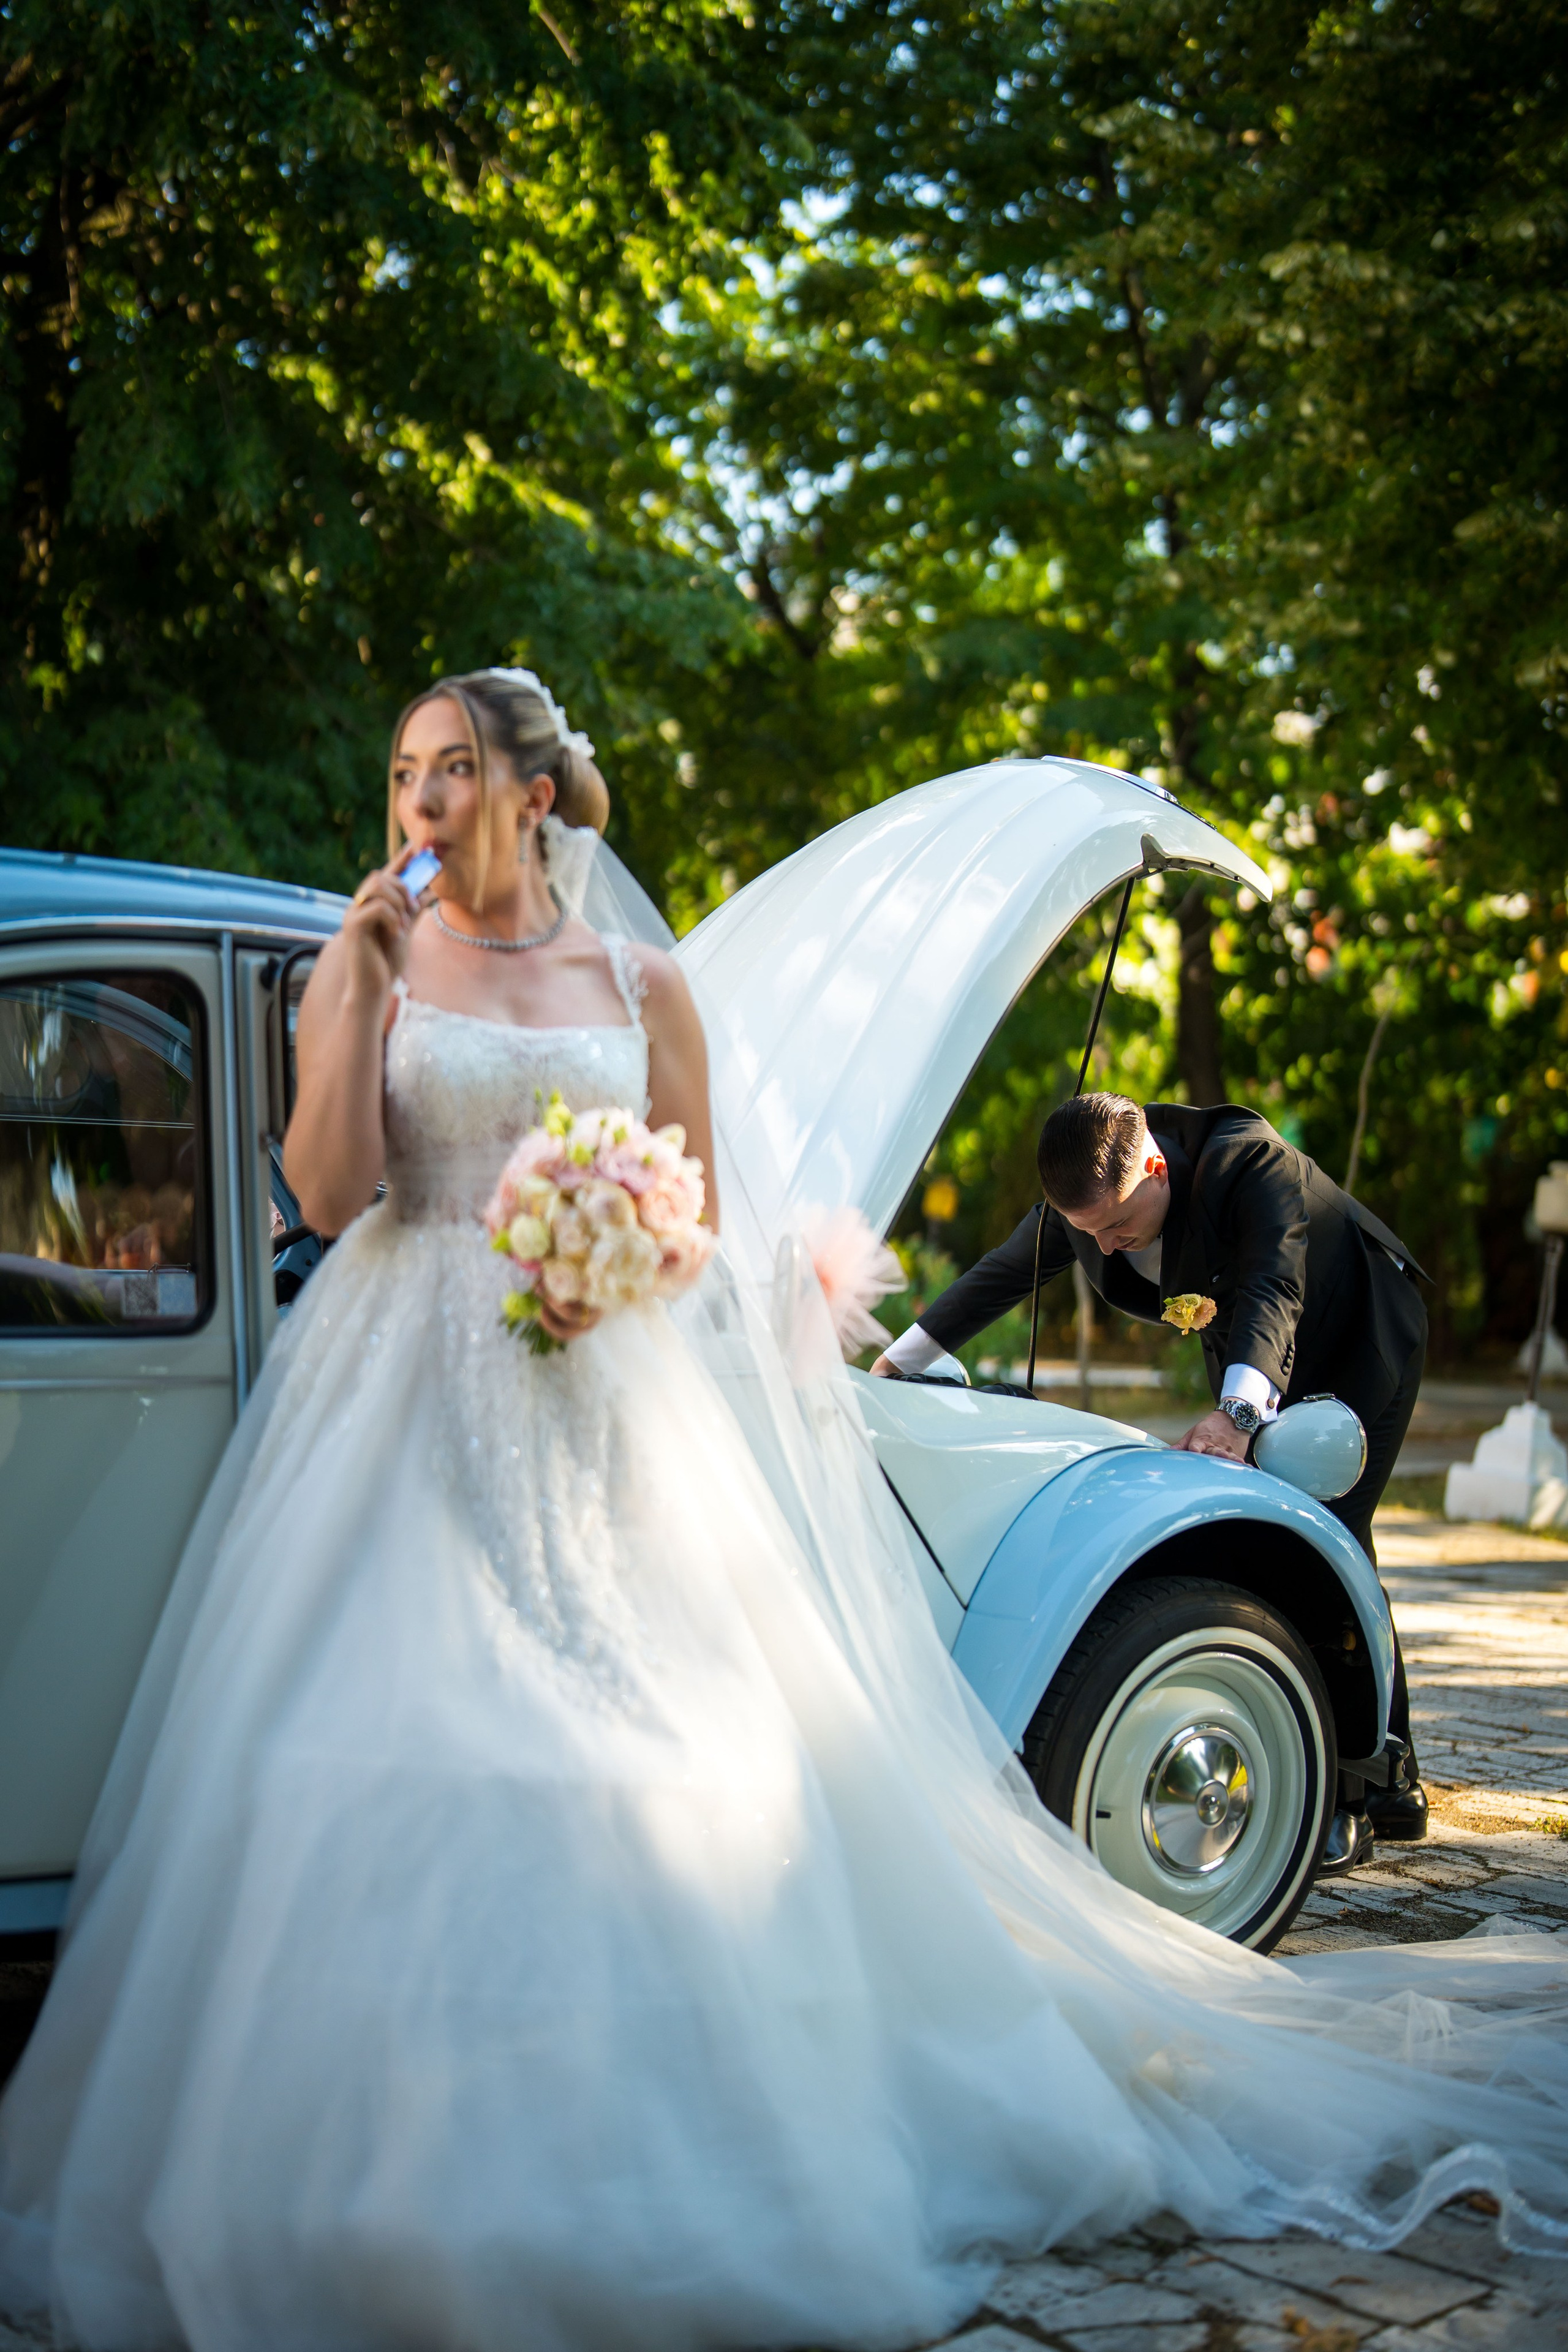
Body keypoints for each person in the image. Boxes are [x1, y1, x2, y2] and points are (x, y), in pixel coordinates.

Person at [1, 692, 1565, 2351]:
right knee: (363, 1751)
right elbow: (319, 1198)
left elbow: (696, 1235)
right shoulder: (371, 962)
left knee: (656, 1765)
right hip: (392, 1393)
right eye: (400, 769)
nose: (418, 796)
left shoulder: (644, 988)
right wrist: (358, 988)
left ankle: (647, 2157)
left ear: (536, 793)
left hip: (594, 1393)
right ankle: (358, 2169)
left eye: (450, 765)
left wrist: (606, 1238)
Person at [873, 1092, 1430, 1873]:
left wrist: (1236, 1415)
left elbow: (1276, 1284)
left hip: (1357, 1330)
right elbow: (1001, 1276)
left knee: (1329, 1529)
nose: (1102, 1245)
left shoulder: (1248, 1160)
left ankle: (1371, 1791)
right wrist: (897, 1363)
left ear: (1158, 1168)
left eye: (1115, 1227)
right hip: (1249, 1346)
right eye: (1086, 1231)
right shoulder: (1089, 1205)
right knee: (1256, 1530)